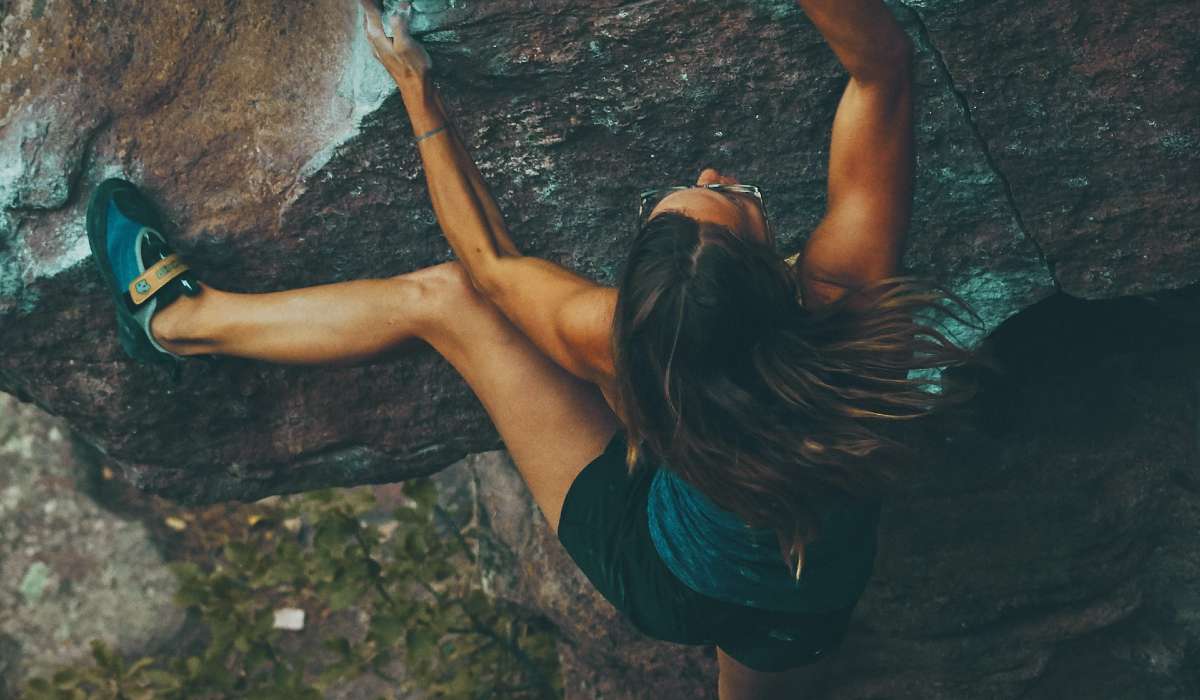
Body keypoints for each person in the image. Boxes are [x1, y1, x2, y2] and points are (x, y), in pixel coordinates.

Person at [86, 0, 977, 696]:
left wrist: (416, 87)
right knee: (770, 653)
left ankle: (177, 321)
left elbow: (488, 262)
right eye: (723, 193)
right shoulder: (850, 311)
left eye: (715, 193)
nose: (711, 174)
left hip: (659, 571)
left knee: (445, 300)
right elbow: (881, 70)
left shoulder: (617, 342)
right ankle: (181, 327)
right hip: (796, 600)